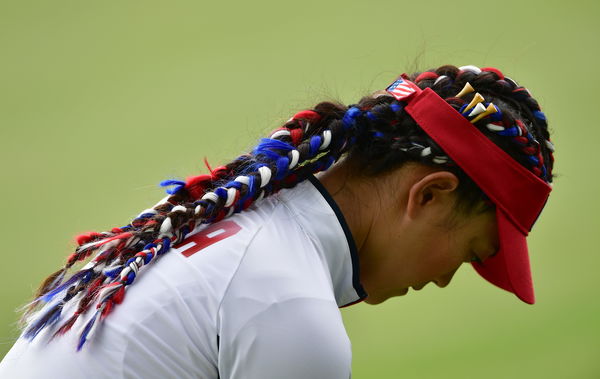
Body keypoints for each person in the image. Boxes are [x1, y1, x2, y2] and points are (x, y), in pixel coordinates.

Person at [0, 64, 555, 378]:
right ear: (430, 195)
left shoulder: (244, 232)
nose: (444, 278)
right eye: (472, 252)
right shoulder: (290, 309)